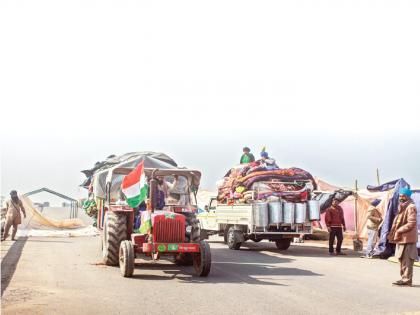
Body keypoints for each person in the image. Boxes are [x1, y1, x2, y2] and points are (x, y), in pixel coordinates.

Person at [388, 187, 417, 287]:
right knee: (401, 259)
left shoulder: (411, 207)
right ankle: (404, 278)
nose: (401, 197)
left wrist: (399, 230)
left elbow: (411, 223)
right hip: (402, 238)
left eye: (403, 196)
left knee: (407, 260)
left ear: (408, 196)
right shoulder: (403, 206)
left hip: (408, 238)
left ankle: (407, 280)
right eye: (400, 196)